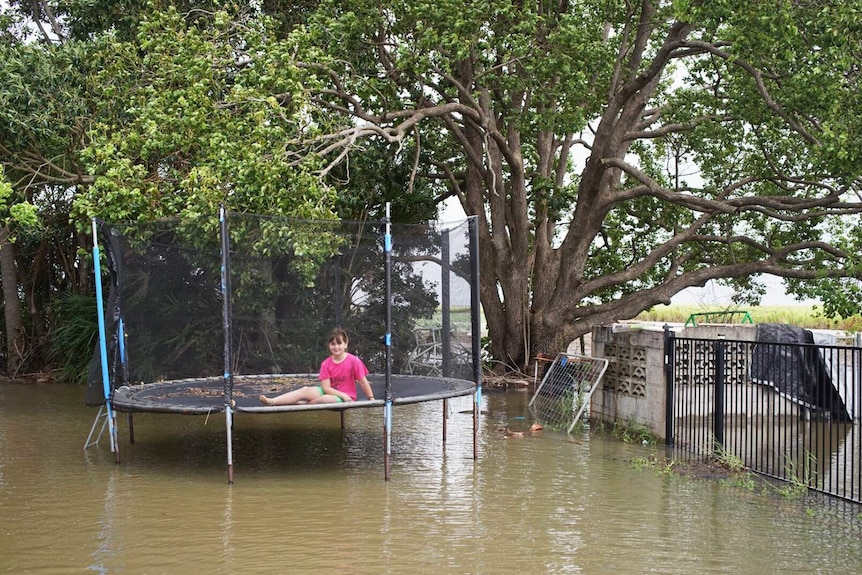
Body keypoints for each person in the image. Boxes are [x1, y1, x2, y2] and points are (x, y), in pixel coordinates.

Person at [260, 327, 375, 405]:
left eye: (339, 343)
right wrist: (341, 395)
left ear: (345, 344)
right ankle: (273, 401)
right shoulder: (326, 363)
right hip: (330, 391)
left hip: (347, 396)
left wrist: (371, 398)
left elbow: (363, 381)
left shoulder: (354, 361)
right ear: (329, 345)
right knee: (305, 390)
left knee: (325, 399)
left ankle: (303, 405)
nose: (336, 347)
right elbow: (326, 388)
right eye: (333, 344)